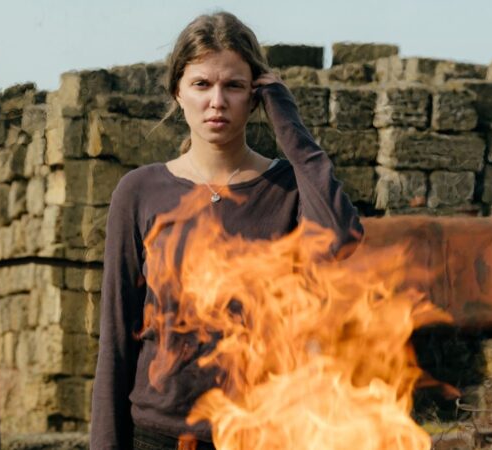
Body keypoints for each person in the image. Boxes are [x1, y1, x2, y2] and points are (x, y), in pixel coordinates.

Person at [91, 11, 363, 450]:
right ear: (178, 92)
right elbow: (117, 338)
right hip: (158, 436)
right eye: (201, 84)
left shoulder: (289, 189)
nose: (216, 101)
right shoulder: (139, 192)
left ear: (255, 96)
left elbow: (339, 238)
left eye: (234, 86)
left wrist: (288, 121)